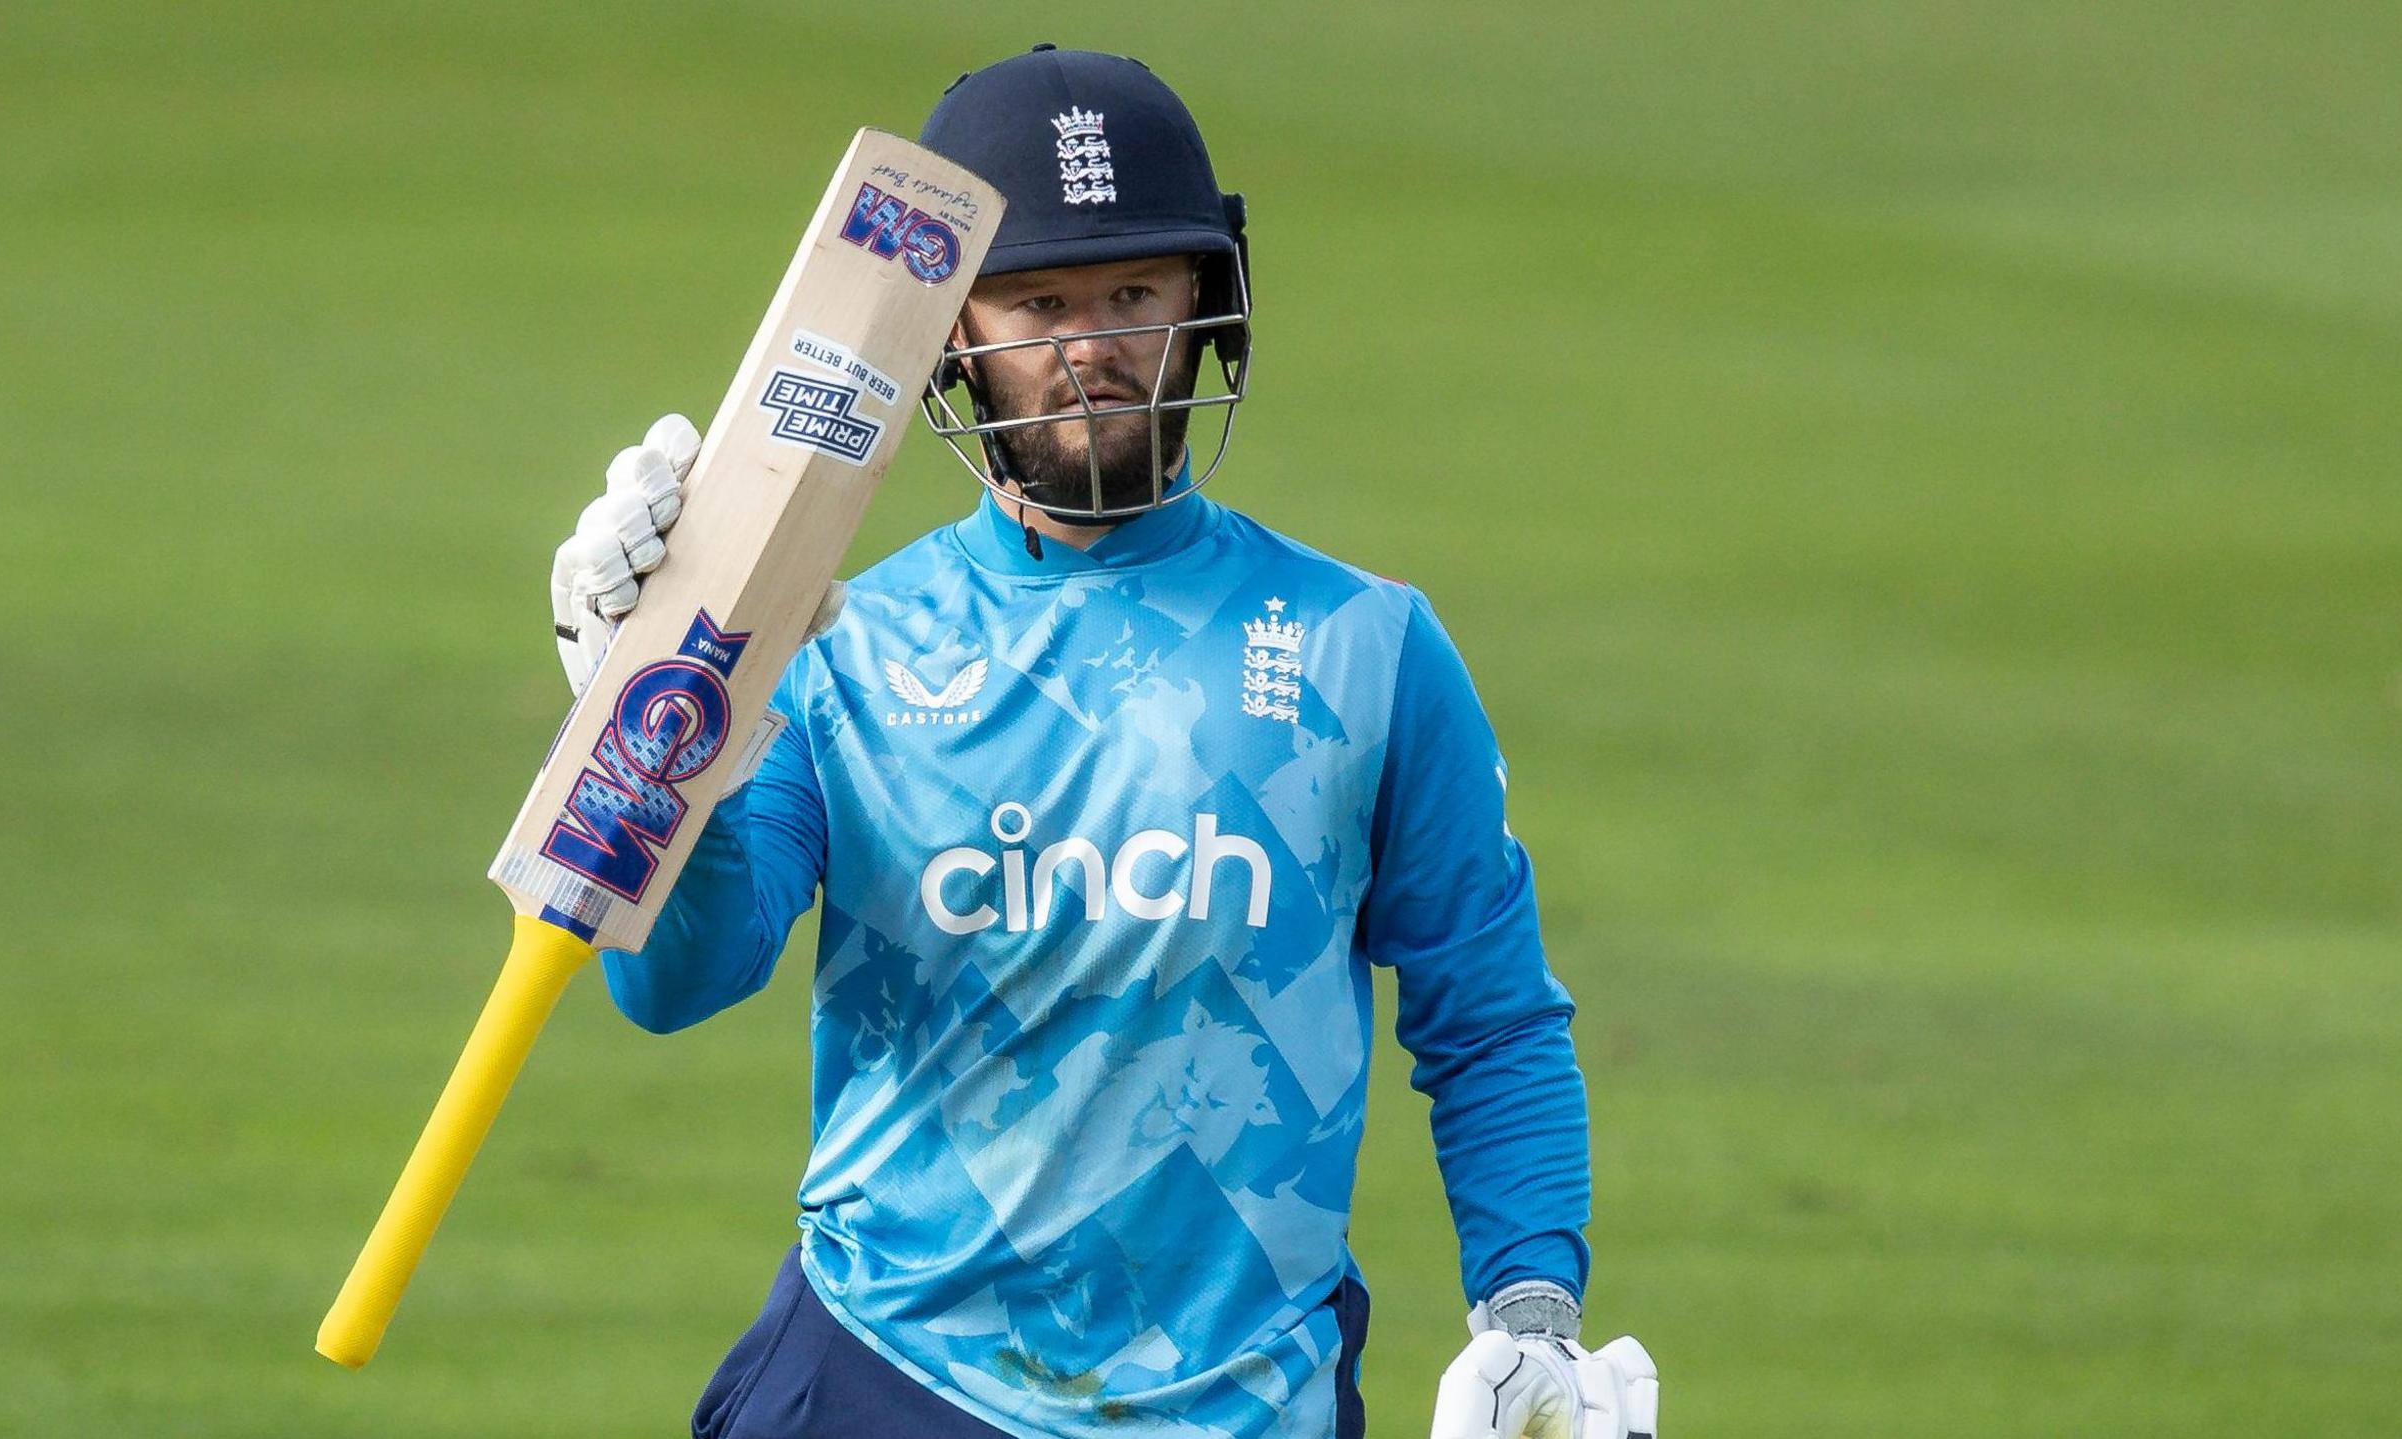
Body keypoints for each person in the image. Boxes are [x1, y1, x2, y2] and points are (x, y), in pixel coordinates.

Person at [548, 45, 1655, 1439]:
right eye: (1042, 302)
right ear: (951, 329)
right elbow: (681, 983)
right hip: (892, 1376)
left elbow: (1489, 1022)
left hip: (1240, 1402)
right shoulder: (840, 647)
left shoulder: (1364, 648)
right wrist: (660, 750)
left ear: (1204, 302)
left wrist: (1532, 1320)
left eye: (1135, 292)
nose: (1092, 349)